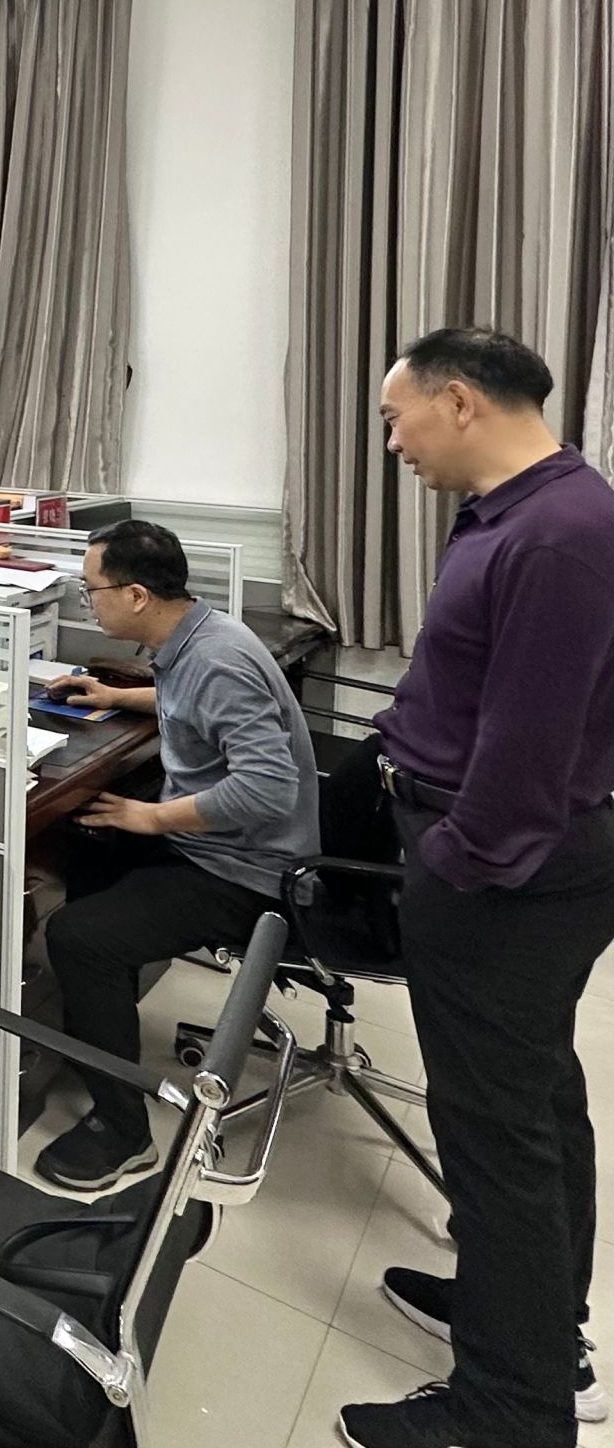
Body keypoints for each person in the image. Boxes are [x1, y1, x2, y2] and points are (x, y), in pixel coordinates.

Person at [338, 329, 614, 1448]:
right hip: (504, 860)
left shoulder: (558, 534)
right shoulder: (518, 513)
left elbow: (530, 744)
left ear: (456, 402)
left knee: (496, 1132)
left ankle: (509, 1412)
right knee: (533, 1097)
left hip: (504, 875)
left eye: (394, 418)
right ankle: (536, 1324)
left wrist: (454, 861)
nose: (393, 442)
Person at [34, 519, 318, 1193]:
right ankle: (98, 1030)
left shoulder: (216, 659)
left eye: (91, 589)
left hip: (250, 872)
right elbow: (189, 703)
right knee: (89, 845)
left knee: (78, 936)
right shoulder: (198, 637)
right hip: (222, 847)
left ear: (135, 595)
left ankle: (123, 1133)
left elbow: (268, 788)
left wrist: (152, 816)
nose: (87, 602)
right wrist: (116, 696)